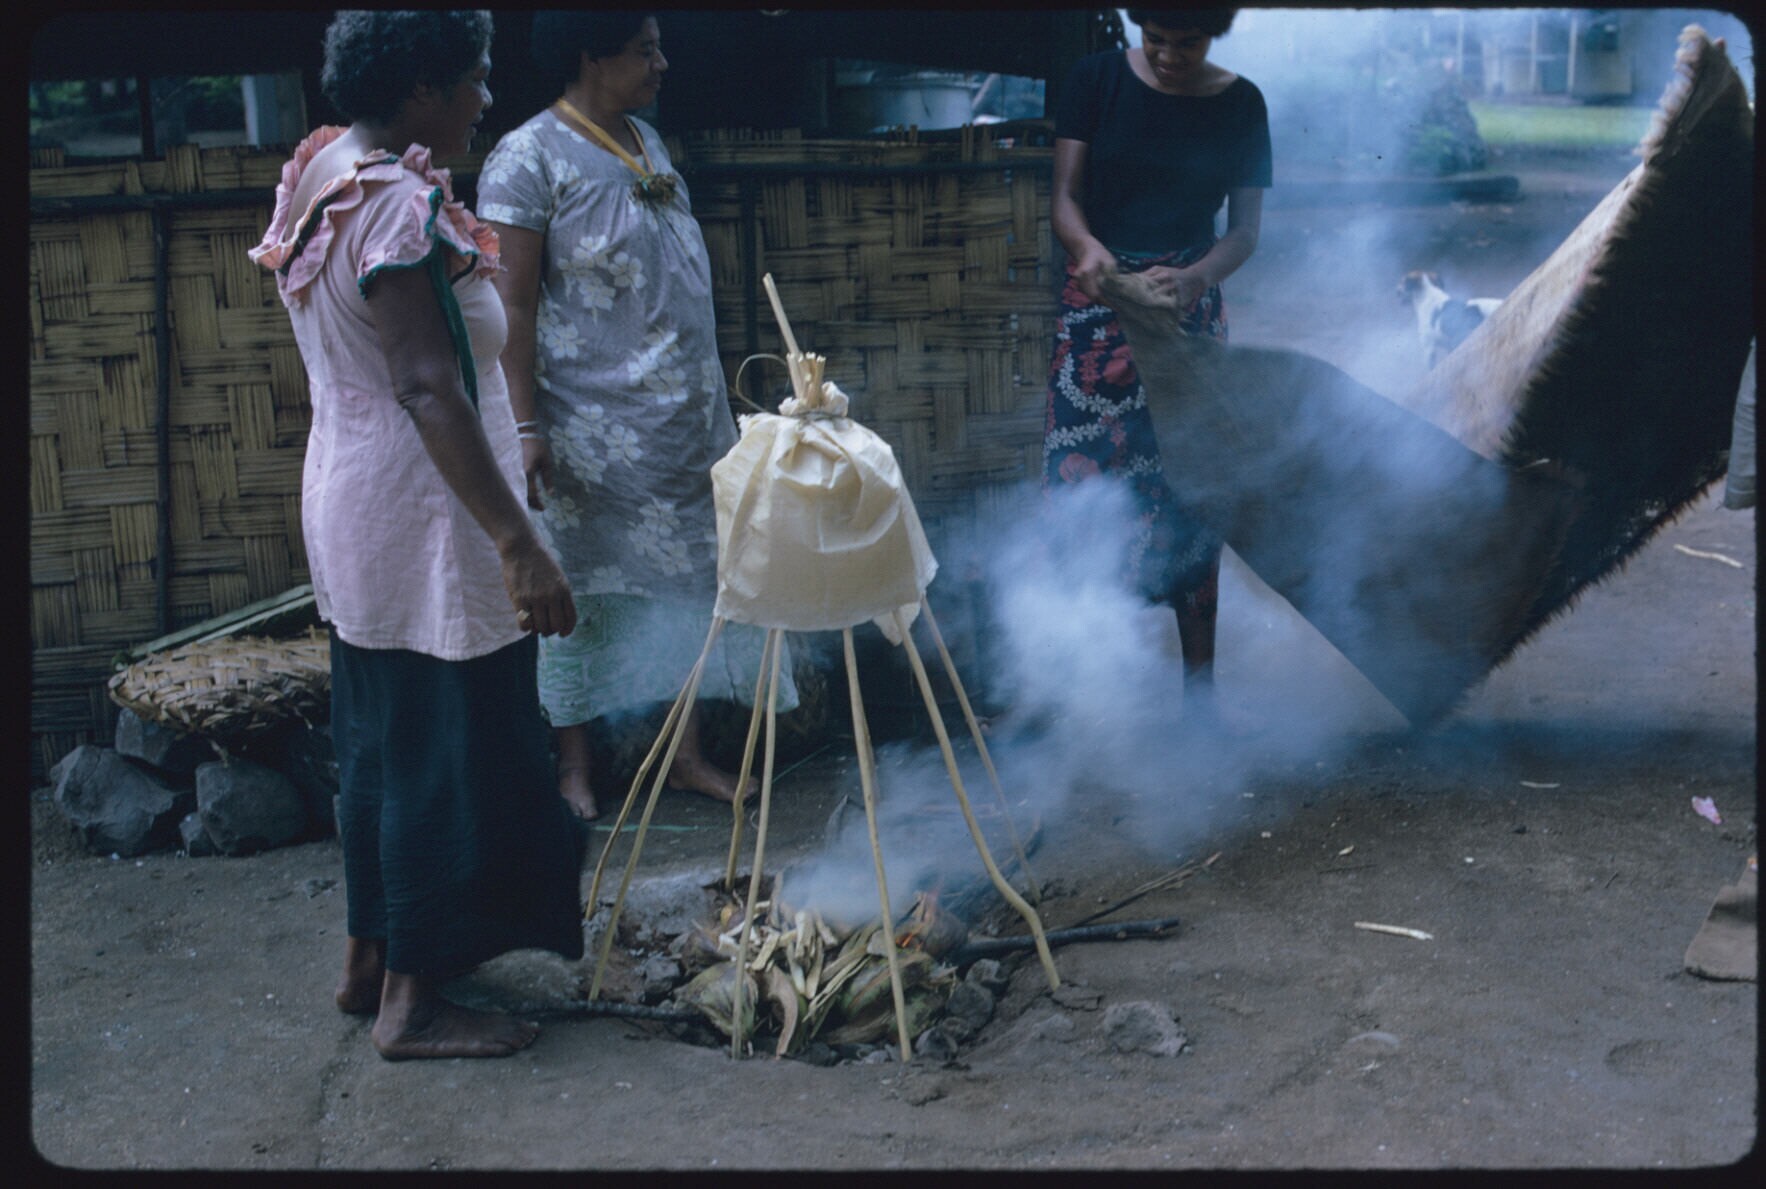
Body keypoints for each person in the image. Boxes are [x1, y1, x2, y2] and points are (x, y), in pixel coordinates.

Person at [249, 10, 586, 1060]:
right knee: (448, 747)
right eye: (474, 80)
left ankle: (368, 963)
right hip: (429, 515)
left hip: (357, 497)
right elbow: (428, 386)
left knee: (382, 738)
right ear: (420, 89)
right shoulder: (393, 205)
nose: (487, 98)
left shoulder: (329, 168)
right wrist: (517, 542)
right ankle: (415, 1001)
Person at [478, 11, 793, 823]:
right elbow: (511, 304)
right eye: (645, 49)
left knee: (689, 592)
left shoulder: (649, 142)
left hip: (683, 424)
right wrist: (525, 426)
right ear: (591, 54)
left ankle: (682, 756)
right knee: (581, 593)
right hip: (589, 431)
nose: (662, 63)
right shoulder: (525, 158)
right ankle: (573, 767)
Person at [1042, 7, 1271, 726]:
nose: (1169, 56)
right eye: (1156, 40)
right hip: (1096, 311)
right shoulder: (1096, 81)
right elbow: (1065, 197)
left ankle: (1199, 700)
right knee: (1080, 492)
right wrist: (1089, 250)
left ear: (1216, 33)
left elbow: (1244, 232)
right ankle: (1078, 692)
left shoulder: (1242, 104)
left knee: (1192, 492)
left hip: (1186, 316)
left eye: (1188, 43)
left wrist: (1197, 277)